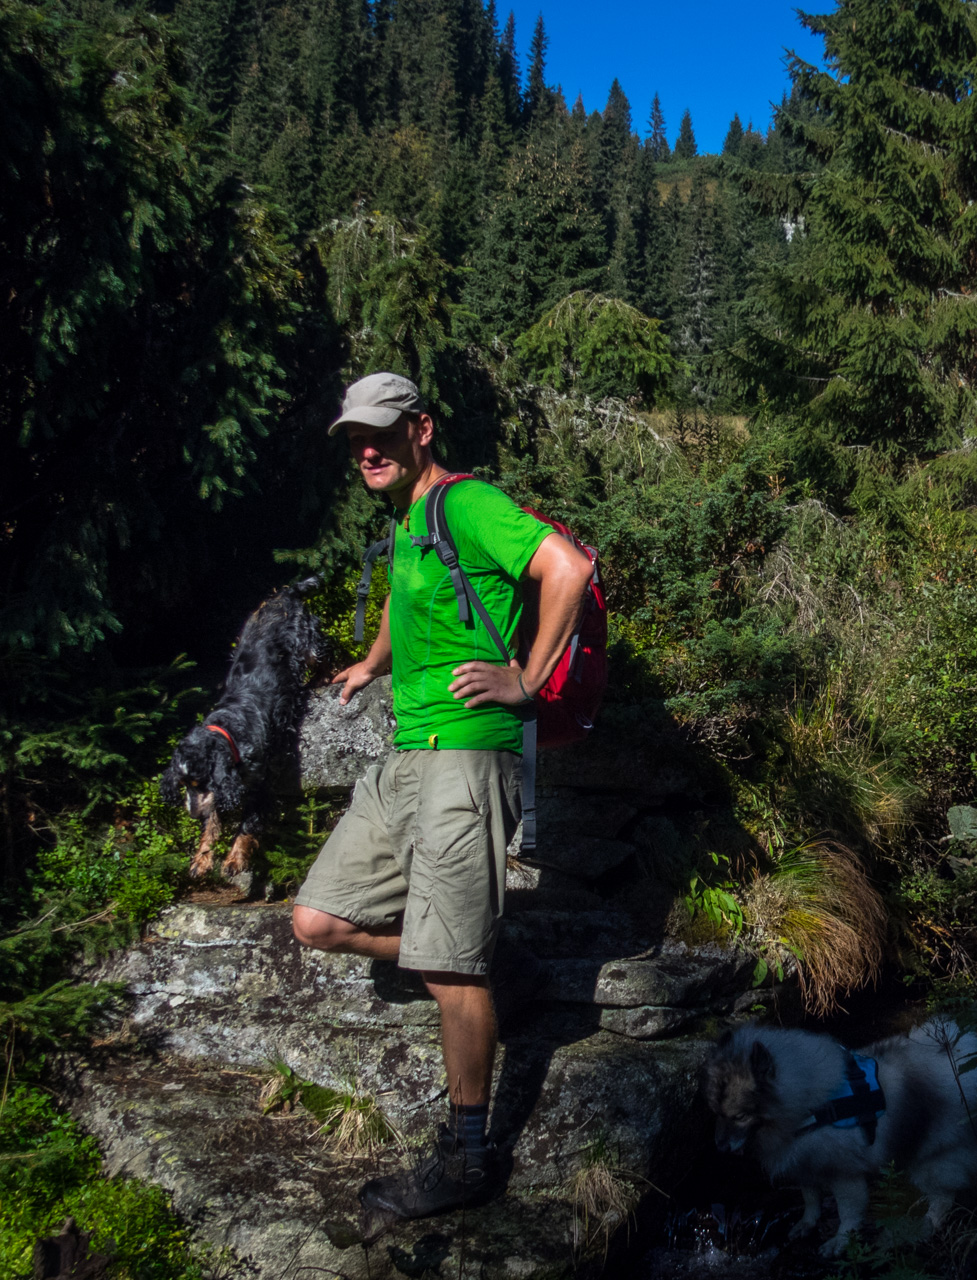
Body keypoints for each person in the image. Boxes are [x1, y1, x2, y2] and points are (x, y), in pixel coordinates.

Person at [290, 371, 593, 1223]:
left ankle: (467, 1159)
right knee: (317, 920)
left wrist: (526, 680)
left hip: (466, 757)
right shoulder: (408, 521)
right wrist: (373, 662)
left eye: (382, 433)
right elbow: (407, 596)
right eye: (355, 440)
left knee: (445, 963)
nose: (367, 451)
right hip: (406, 753)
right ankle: (498, 968)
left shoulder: (465, 503)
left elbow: (566, 567)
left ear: (422, 428)